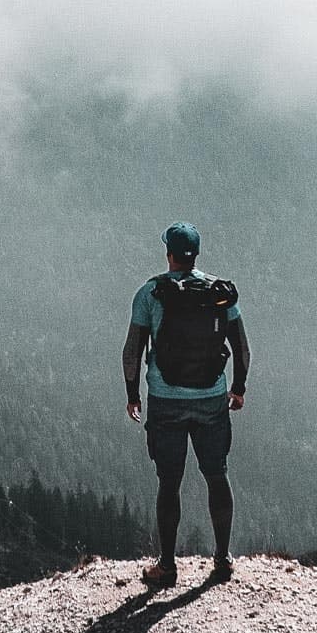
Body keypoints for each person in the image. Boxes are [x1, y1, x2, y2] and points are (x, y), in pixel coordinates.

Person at [123, 220, 248, 589]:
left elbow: (132, 351)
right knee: (216, 474)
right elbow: (242, 348)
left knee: (169, 481)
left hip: (166, 400)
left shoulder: (150, 293)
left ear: (169, 254)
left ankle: (166, 566)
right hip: (212, 398)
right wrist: (237, 389)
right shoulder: (219, 293)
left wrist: (133, 394)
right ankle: (223, 559)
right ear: (196, 254)